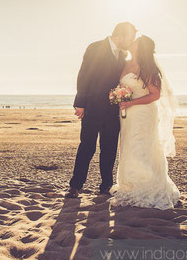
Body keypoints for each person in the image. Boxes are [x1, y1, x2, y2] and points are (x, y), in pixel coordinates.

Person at [65, 22, 137, 198]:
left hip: (113, 111)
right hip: (92, 106)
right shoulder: (96, 47)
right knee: (87, 146)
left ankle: (106, 185)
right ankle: (76, 185)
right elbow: (84, 75)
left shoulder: (123, 55)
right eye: (130, 38)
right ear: (121, 35)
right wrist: (80, 103)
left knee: (110, 148)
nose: (131, 42)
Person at [110, 35, 180, 209]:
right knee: (128, 145)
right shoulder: (125, 63)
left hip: (142, 112)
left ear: (140, 47)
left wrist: (130, 102)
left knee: (140, 146)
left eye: (135, 41)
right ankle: (129, 185)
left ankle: (144, 185)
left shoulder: (146, 67)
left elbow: (155, 94)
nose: (131, 42)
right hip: (127, 114)